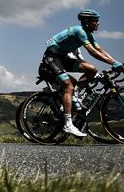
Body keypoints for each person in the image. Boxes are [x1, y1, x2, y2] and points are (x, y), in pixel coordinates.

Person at [41, 9, 123, 137]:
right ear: (87, 21)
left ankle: (76, 93)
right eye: (96, 21)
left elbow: (100, 50)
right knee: (68, 86)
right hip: (52, 57)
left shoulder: (89, 34)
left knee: (92, 69)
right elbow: (93, 52)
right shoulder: (80, 31)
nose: (98, 23)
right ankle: (68, 125)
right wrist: (112, 63)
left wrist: (116, 61)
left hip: (62, 59)